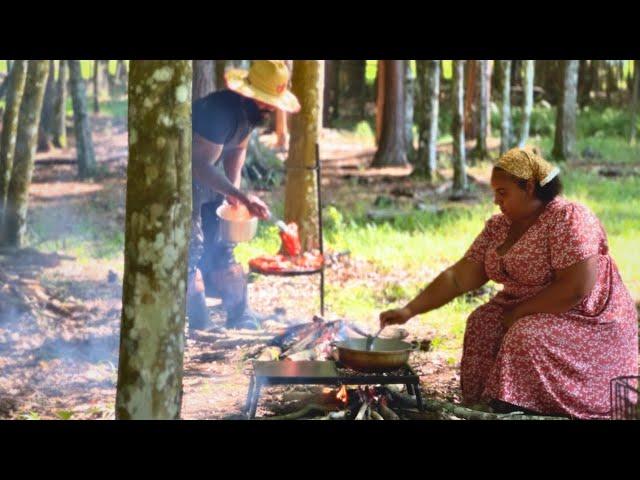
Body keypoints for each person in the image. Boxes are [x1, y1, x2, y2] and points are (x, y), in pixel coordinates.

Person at [379, 147, 638, 419]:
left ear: (527, 187)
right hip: (525, 311)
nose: (495, 201)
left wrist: (519, 313)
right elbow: (457, 278)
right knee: (482, 321)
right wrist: (409, 310)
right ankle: (485, 406)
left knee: (524, 334)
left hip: (586, 319)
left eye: (502, 193)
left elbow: (575, 288)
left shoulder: (568, 217)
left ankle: (524, 409)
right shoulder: (499, 227)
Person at [187, 60, 300, 331]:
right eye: (267, 101)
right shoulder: (220, 112)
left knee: (223, 248)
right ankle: (200, 324)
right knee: (190, 255)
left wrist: (233, 197)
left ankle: (240, 316)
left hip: (212, 187)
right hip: (183, 188)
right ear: (250, 93)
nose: (271, 107)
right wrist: (239, 194)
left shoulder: (249, 115)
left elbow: (237, 150)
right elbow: (199, 165)